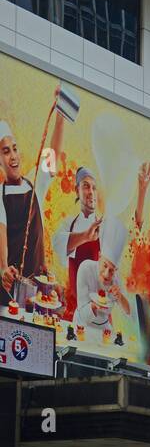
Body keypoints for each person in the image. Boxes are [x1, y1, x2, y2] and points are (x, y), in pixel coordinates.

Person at [52, 162, 150, 317]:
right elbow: (57, 244)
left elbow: (133, 230)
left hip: (102, 312)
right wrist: (85, 236)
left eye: (93, 187)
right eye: (85, 186)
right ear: (76, 190)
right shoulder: (68, 224)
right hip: (75, 312)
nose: (91, 192)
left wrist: (142, 190)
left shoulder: (104, 226)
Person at [0, 86, 68, 303]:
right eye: (5, 151)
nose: (13, 156)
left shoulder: (35, 182)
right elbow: (1, 234)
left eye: (14, 148)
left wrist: (60, 114)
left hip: (39, 295)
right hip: (11, 292)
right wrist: (3, 269)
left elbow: (53, 153)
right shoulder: (0, 196)